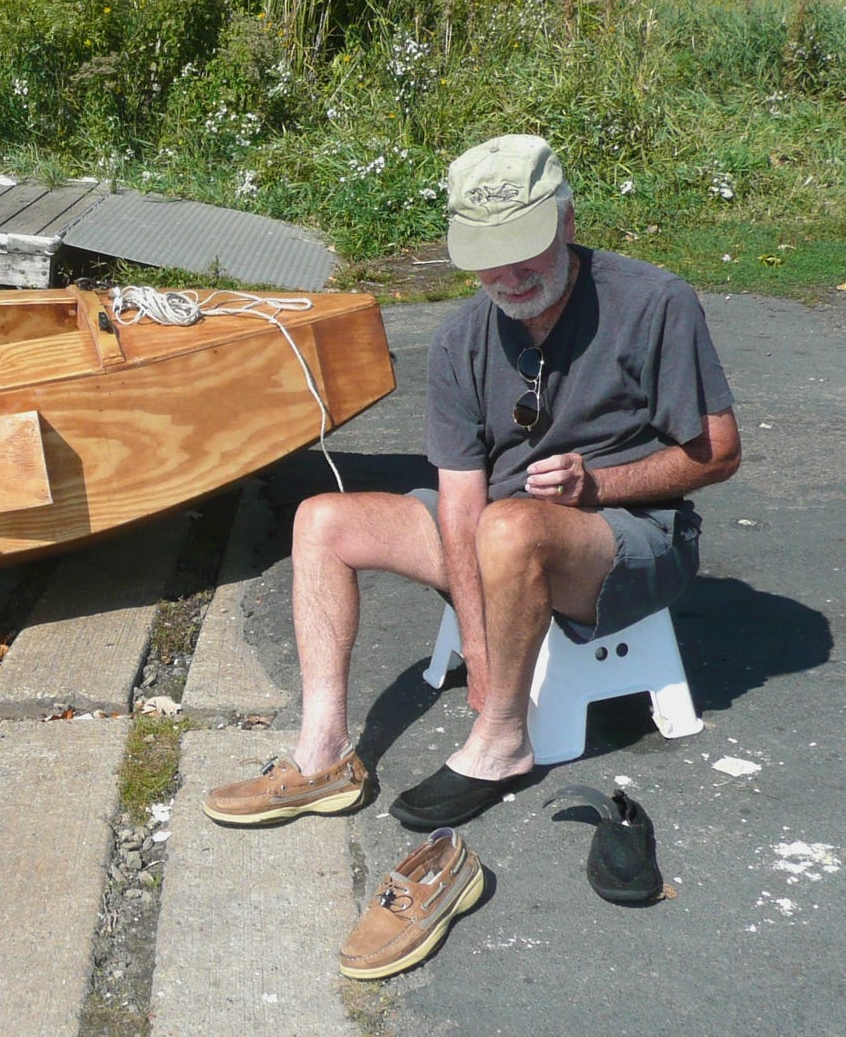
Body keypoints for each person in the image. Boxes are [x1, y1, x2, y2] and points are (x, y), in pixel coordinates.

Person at [204, 134, 741, 830]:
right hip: (500, 530)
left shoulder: (655, 302)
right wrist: (479, 647)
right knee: (321, 520)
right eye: (489, 260)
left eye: (527, 250)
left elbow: (719, 453)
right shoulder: (462, 338)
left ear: (568, 222)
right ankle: (323, 753)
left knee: (509, 527)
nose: (511, 277)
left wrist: (599, 486)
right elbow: (460, 498)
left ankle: (503, 742)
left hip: (628, 537)